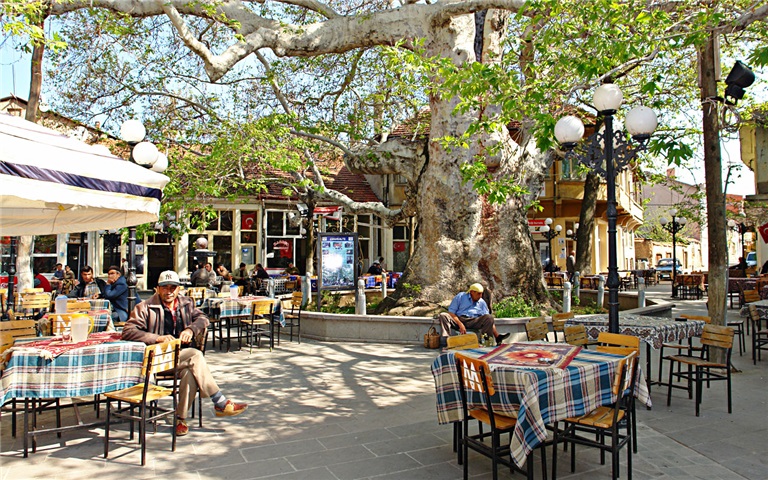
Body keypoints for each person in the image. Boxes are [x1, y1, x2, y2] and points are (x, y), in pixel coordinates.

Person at [121, 270, 248, 437]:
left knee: (190, 372)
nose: (169, 291)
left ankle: (180, 419)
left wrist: (191, 329)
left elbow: (203, 318)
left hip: (181, 359)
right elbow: (128, 331)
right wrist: (157, 338)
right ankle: (219, 401)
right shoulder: (144, 307)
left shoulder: (186, 303)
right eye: (164, 288)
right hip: (158, 360)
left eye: (173, 288)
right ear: (157, 289)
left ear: (178, 289)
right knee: (196, 355)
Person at [437, 283, 510, 346]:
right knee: (443, 315)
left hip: (474, 321)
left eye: (481, 294)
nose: (480, 296)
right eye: (478, 293)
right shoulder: (461, 296)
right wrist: (460, 324)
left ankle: (486, 341)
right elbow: (451, 312)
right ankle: (446, 341)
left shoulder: (481, 302)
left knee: (489, 317)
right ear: (472, 292)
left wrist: (497, 335)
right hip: (459, 319)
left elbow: (489, 320)